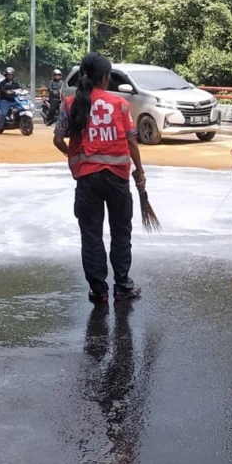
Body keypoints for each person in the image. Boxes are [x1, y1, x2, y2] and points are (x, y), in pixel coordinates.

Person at [52, 52, 146, 304]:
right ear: (105, 78)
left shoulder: (70, 104)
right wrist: (141, 173)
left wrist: (74, 153)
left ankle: (98, 290)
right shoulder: (120, 105)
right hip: (117, 179)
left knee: (91, 234)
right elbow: (132, 141)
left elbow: (58, 138)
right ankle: (123, 286)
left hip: (87, 180)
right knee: (121, 231)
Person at [0, 67, 21, 134]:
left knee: (22, 108)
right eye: (8, 74)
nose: (9, 76)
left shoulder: (16, 82)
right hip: (5, 101)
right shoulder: (2, 83)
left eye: (11, 74)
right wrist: (6, 92)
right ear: (6, 75)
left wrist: (24, 91)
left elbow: (20, 88)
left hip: (14, 100)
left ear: (13, 75)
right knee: (3, 114)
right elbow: (2, 90)